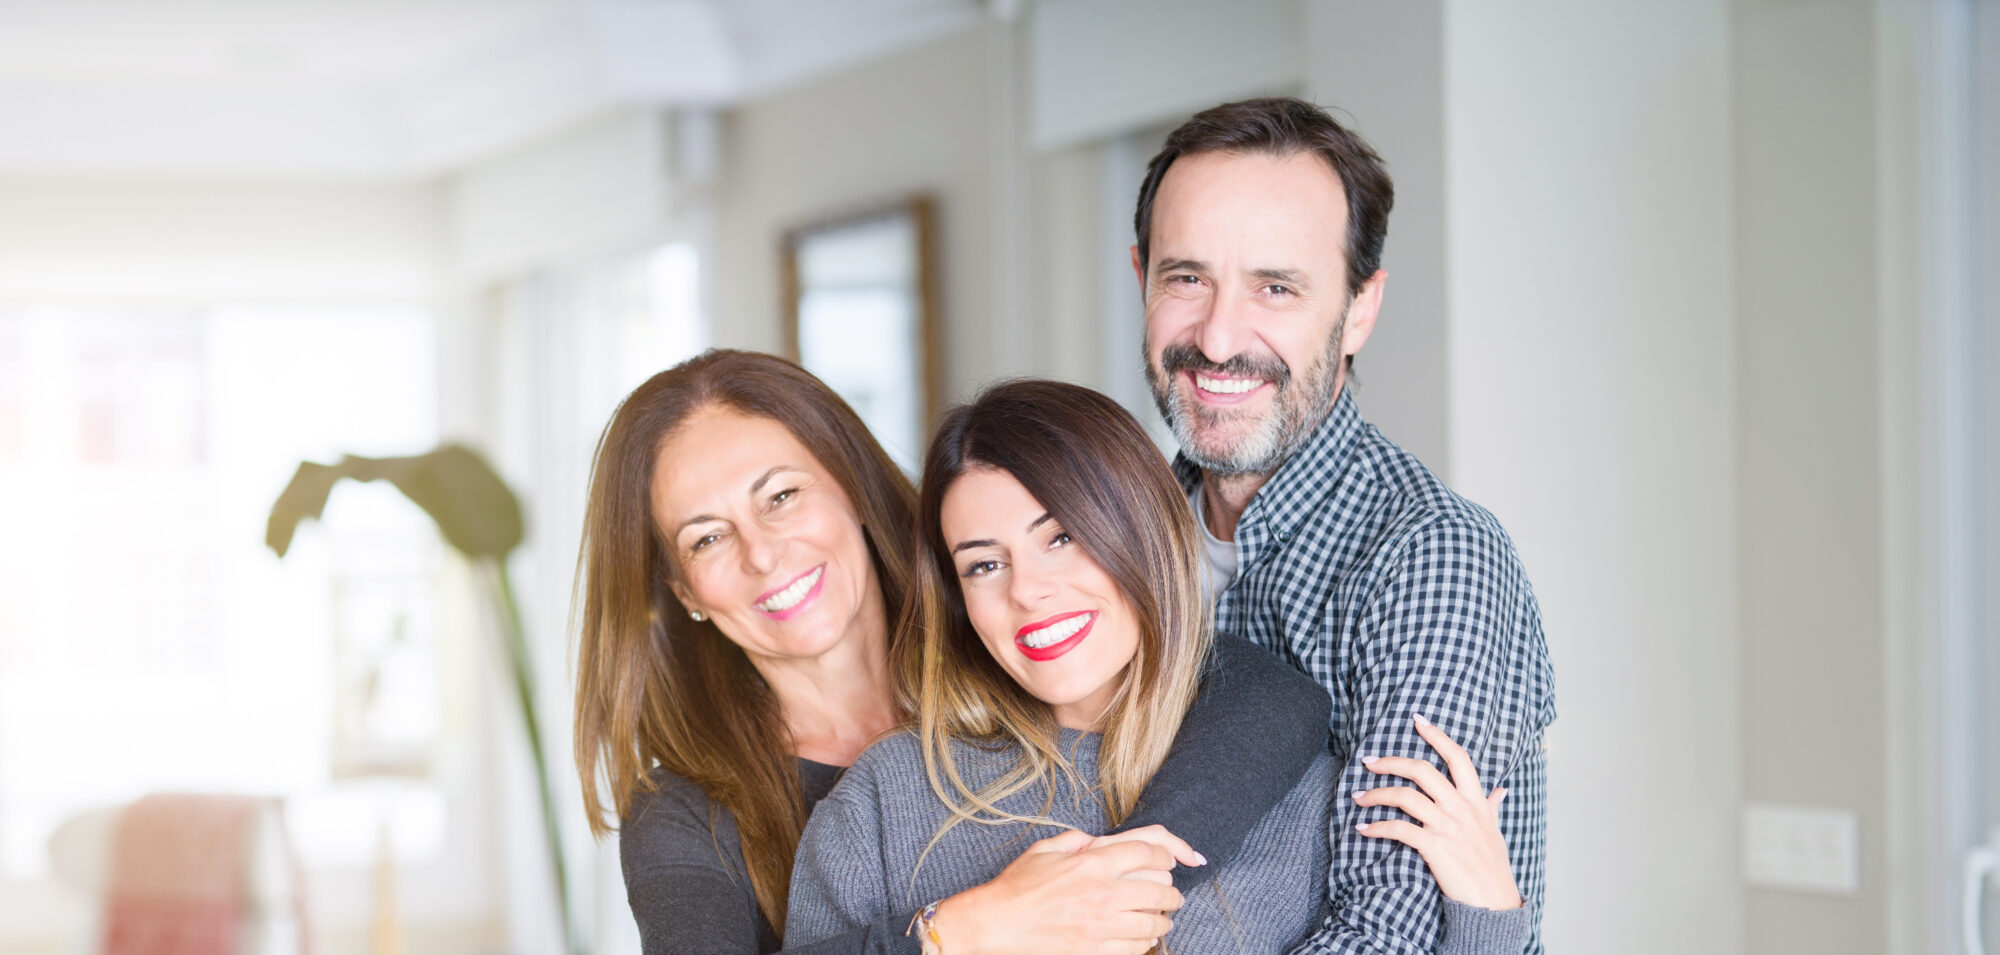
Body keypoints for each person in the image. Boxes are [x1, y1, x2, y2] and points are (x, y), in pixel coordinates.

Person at [570, 350, 1335, 955]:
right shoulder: (687, 813)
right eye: (707, 537)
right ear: (684, 589)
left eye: (781, 496)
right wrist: (974, 928)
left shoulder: (1010, 647)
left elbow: (1261, 691)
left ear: (849, 488)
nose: (762, 553)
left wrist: (1128, 878)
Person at [787, 379, 1531, 954]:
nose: (1027, 591)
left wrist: (1488, 921)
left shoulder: (1305, 801)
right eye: (984, 564)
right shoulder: (884, 801)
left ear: (1142, 532)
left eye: (1061, 537)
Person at [1130, 96, 1559, 952]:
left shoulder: (1430, 557)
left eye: (1275, 287)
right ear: (1140, 277)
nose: (1217, 336)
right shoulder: (1114, 543)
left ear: (1359, 309)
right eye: (1187, 278)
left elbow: (1390, 932)